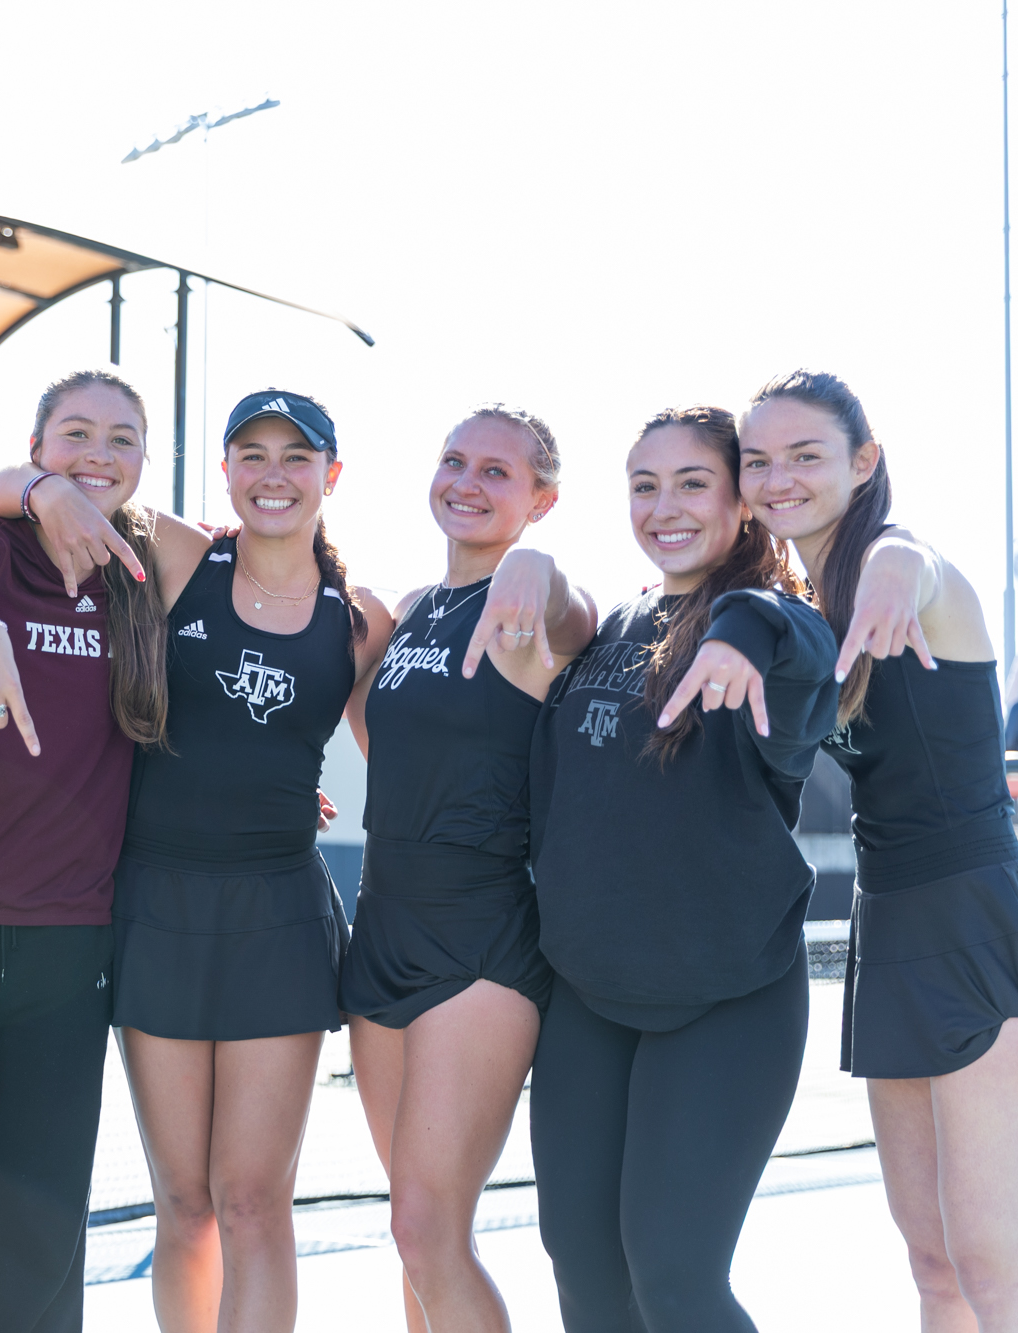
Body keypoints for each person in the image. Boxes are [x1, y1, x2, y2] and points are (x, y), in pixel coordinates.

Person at [0, 367, 207, 1332]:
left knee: (44, 1224)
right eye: (74, 436)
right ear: (36, 445)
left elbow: (277, 568)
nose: (97, 456)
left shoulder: (148, 565)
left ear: (146, 461)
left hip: (68, 947)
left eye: (121, 440)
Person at [739, 370, 1018, 1328]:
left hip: (977, 923)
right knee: (934, 1266)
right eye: (758, 459)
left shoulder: (908, 570)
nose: (779, 476)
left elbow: (914, 560)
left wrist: (889, 560)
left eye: (806, 455)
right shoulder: (796, 605)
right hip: (889, 927)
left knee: (1002, 1271)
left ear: (863, 461)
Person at [528, 405, 838, 1331]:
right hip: (588, 992)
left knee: (674, 1278)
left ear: (744, 501)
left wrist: (741, 626)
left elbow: (796, 635)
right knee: (584, 1273)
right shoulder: (618, 624)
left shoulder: (773, 628)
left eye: (693, 482)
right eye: (644, 484)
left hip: (728, 994)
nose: (665, 505)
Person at [104, 389, 391, 1332]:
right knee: (184, 1202)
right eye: (253, 453)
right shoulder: (180, 556)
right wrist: (36, 482)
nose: (274, 474)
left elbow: (410, 762)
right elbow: (39, 490)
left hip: (278, 918)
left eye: (296, 456)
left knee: (255, 1199)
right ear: (224, 469)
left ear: (331, 476)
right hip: (156, 908)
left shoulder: (358, 621)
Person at [341, 404, 595, 1332]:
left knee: (426, 1226)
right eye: (456, 461)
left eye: (499, 471)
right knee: (416, 1232)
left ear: (542, 498)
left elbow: (572, 619)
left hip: (482, 942)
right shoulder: (410, 613)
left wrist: (537, 567)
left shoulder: (532, 608)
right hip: (383, 929)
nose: (469, 482)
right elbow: (383, 739)